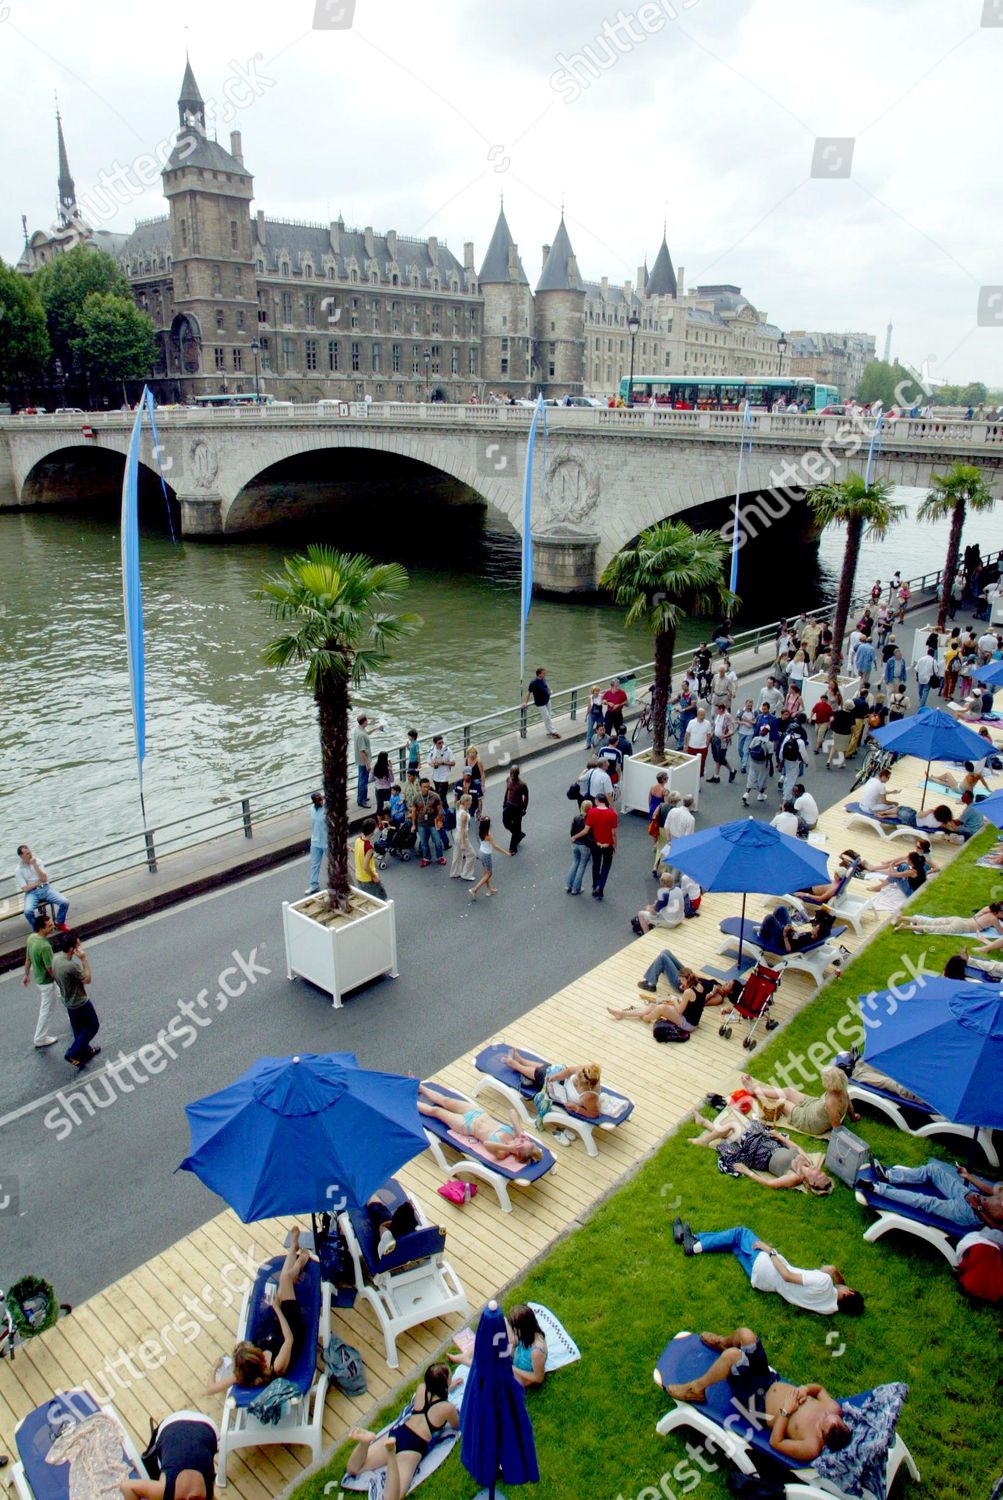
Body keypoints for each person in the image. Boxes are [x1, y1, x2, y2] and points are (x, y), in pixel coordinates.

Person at [662, 1329, 851, 1456]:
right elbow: (818, 1389)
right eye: (830, 1415)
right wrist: (804, 1389)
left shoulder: (811, 1445)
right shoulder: (833, 1409)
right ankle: (723, 1342)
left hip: (755, 1400)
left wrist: (786, 1411)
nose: (827, 1413)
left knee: (733, 1357)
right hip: (768, 1379)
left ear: (822, 1432)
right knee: (746, 1335)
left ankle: (696, 1389)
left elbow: (776, 1443)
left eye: (825, 1419)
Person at [670, 1221, 864, 1315]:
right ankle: (693, 1237)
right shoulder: (829, 1308)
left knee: (740, 1233)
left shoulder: (824, 1283)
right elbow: (826, 1277)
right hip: (762, 1282)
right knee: (734, 1245)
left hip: (768, 1267)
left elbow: (788, 1276)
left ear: (849, 1292)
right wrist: (835, 1275)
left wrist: (769, 1251)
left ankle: (693, 1246)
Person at [207, 1228, 311, 1395]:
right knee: (284, 1280)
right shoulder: (276, 1367)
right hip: (290, 1328)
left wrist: (215, 1367)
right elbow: (289, 1339)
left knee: (280, 1289)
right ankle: (300, 1259)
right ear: (259, 1360)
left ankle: (294, 1249)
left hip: (271, 1328)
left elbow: (211, 1389)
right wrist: (277, 1309)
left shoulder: (244, 1375)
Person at [345, 1364, 460, 1500]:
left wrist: (448, 1388)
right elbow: (457, 1425)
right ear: (445, 1384)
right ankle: (391, 1455)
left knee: (353, 1469)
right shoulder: (447, 1408)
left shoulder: (421, 1389)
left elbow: (435, 1393)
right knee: (393, 1498)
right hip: (414, 1446)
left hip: (399, 1432)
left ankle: (365, 1442)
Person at [687, 1113, 835, 1194]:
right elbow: (795, 1147)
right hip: (768, 1143)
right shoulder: (808, 1162)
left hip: (758, 1154)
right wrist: (779, 1136)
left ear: (812, 1182)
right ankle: (705, 1124)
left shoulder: (794, 1177)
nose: (820, 1171)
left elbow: (770, 1184)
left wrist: (747, 1171)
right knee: (734, 1129)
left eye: (820, 1176)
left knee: (733, 1124)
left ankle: (703, 1140)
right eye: (822, 1173)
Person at [867, 1158, 1003, 1230]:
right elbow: (991, 1191)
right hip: (968, 1195)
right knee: (933, 1170)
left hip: (969, 1213)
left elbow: (997, 1228)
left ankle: (878, 1189)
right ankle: (888, 1175)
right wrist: (967, 1176)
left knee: (925, 1201)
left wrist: (977, 1207)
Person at [417, 1084, 542, 1160]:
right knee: (446, 1100)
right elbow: (512, 1112)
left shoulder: (503, 1153)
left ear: (518, 1152)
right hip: (477, 1112)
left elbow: (487, 1144)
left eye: (522, 1143)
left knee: (436, 1111)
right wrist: (519, 1130)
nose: (523, 1139)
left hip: (466, 1125)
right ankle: (420, 1087)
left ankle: (411, 1103)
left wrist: (509, 1147)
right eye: (526, 1140)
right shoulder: (516, 1134)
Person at [119, 1412, 219, 1498]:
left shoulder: (207, 1494)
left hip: (207, 1427)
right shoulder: (163, 1491)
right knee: (149, 1466)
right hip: (172, 1425)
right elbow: (126, 1487)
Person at [740, 1068, 850, 1136]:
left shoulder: (831, 1103)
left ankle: (754, 1091)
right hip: (814, 1105)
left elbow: (837, 1128)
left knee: (782, 1101)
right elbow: (848, 1103)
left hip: (809, 1121)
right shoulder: (842, 1090)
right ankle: (754, 1090)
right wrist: (853, 1115)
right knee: (788, 1091)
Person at [501, 1048, 601, 1121]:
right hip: (561, 1082)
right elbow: (570, 1070)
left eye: (577, 1082)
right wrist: (556, 1077)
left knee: (541, 1073)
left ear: (587, 1085)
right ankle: (522, 1061)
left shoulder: (588, 1097)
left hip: (557, 1092)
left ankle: (516, 1065)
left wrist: (576, 1108)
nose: (576, 1081)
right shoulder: (586, 1071)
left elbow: (594, 1114)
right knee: (548, 1068)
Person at [51, 930, 100, 1069]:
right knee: (92, 1026)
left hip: (68, 1002)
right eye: (78, 945)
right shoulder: (71, 966)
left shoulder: (56, 960)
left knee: (78, 1030)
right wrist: (84, 959)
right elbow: (87, 979)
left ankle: (85, 1050)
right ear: (72, 949)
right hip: (80, 1002)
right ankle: (72, 1052)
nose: (80, 948)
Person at [23, 908, 61, 1049]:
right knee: (47, 1009)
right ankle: (40, 1038)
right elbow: (50, 969)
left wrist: (26, 975)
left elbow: (28, 959)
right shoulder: (45, 946)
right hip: (47, 982)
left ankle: (74, 1016)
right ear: (41, 928)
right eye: (49, 926)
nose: (52, 927)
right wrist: (60, 979)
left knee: (63, 995)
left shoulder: (31, 938)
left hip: (39, 980)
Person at [15, 844, 69, 930]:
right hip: (32, 893)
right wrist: (37, 883)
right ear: (21, 856)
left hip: (46, 889)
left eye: (30, 852)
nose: (30, 855)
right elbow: (25, 888)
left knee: (64, 902)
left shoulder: (38, 861)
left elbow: (44, 879)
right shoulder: (18, 870)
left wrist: (35, 866)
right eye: (27, 854)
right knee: (28, 911)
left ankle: (59, 922)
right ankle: (37, 929)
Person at [895, 901, 1003, 937]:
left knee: (931, 922)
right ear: (999, 912)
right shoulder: (994, 919)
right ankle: (906, 926)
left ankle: (902, 917)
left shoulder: (986, 909)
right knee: (932, 929)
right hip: (962, 926)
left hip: (960, 920)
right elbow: (1000, 933)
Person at [469, 815, 511, 898]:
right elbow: (495, 846)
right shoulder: (488, 835)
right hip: (486, 855)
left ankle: (489, 890)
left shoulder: (480, 831)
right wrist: (506, 853)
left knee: (485, 872)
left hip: (481, 852)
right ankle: (475, 889)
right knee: (489, 873)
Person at [585, 793, 617, 899]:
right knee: (606, 865)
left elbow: (587, 829)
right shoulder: (612, 814)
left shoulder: (592, 812)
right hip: (608, 844)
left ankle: (595, 886)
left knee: (596, 864)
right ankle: (601, 886)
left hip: (596, 844)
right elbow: (613, 832)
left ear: (597, 801)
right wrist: (615, 844)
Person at [412, 779, 446, 867]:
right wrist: (414, 825)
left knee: (438, 842)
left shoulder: (435, 796)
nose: (426, 789)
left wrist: (439, 821)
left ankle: (440, 857)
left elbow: (440, 810)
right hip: (421, 824)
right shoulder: (416, 798)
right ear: (420, 787)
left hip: (433, 823)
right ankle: (427, 858)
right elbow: (413, 812)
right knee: (423, 843)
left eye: (428, 786)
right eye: (424, 787)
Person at [354, 818, 388, 901]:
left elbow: (358, 853)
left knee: (367, 900)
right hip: (368, 879)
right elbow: (365, 866)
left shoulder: (358, 840)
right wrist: (374, 877)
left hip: (359, 877)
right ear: (372, 831)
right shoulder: (368, 847)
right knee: (381, 900)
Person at [523, 666, 560, 739]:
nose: (545, 674)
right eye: (543, 673)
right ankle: (553, 732)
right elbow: (528, 692)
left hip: (547, 700)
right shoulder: (533, 682)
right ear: (539, 674)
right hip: (540, 703)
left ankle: (548, 732)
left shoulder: (543, 679)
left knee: (548, 716)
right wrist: (525, 702)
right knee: (547, 717)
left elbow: (546, 687)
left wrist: (549, 691)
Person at [567, 797, 593, 895]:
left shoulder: (576, 817)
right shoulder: (589, 820)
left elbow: (571, 830)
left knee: (575, 863)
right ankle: (576, 888)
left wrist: (573, 838)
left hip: (575, 844)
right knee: (582, 866)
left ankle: (569, 885)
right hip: (584, 845)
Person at [741, 725, 773, 805]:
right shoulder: (769, 744)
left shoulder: (756, 739)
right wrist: (771, 767)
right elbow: (770, 757)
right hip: (763, 765)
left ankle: (746, 794)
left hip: (753, 762)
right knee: (763, 779)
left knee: (751, 777)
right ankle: (761, 794)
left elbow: (749, 749)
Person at [502, 766, 530, 853]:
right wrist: (504, 802)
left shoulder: (522, 785)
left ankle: (513, 848)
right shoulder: (508, 780)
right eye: (511, 773)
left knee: (517, 826)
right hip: (508, 805)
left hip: (517, 808)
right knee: (506, 823)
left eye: (515, 773)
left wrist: (524, 809)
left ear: (518, 773)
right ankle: (519, 834)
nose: (512, 775)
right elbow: (507, 790)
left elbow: (526, 797)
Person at [450, 793, 477, 881]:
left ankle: (454, 873)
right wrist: (463, 843)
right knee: (472, 855)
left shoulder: (459, 808)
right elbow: (462, 829)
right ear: (466, 802)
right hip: (462, 835)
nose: (471, 803)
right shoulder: (464, 814)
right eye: (470, 801)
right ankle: (466, 874)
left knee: (457, 854)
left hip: (455, 833)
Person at [306, 791, 327, 895]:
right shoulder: (311, 809)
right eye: (318, 799)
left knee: (334, 863)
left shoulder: (327, 809)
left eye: (321, 798)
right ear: (314, 801)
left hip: (327, 842)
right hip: (315, 841)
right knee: (315, 865)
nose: (321, 800)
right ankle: (314, 885)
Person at [684, 707, 712, 778]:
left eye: (704, 715)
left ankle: (698, 780)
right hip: (692, 747)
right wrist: (685, 745)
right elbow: (687, 734)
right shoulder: (691, 722)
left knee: (701, 765)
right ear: (698, 714)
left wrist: (707, 745)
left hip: (702, 748)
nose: (703, 717)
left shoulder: (707, 723)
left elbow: (709, 735)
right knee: (691, 764)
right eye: (701, 715)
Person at [429, 735, 456, 804]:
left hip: (444, 776)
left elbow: (453, 763)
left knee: (440, 796)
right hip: (435, 776)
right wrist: (434, 764)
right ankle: (445, 810)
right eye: (439, 743)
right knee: (440, 796)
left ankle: (441, 811)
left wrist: (443, 762)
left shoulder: (448, 750)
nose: (441, 744)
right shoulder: (432, 749)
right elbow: (429, 761)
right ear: (435, 743)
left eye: (442, 742)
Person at [353, 715, 373, 807]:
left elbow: (366, 734)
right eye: (367, 720)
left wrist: (376, 728)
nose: (367, 722)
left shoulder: (358, 730)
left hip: (360, 761)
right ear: (364, 721)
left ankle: (362, 797)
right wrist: (367, 764)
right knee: (363, 781)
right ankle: (361, 801)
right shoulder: (361, 735)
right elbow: (362, 751)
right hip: (363, 762)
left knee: (361, 779)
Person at [371, 751, 393, 817]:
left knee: (379, 806)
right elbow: (392, 780)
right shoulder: (387, 769)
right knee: (387, 806)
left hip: (378, 789)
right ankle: (387, 823)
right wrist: (391, 768)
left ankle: (380, 824)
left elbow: (370, 779)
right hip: (387, 789)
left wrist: (376, 779)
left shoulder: (374, 767)